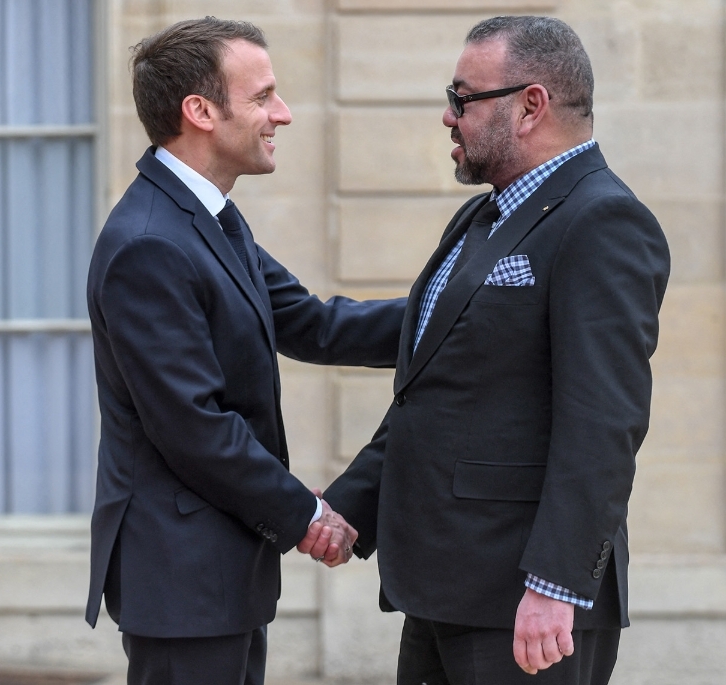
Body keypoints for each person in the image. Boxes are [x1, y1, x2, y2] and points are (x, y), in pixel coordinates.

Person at [323, 15, 670, 685]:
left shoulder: (603, 219)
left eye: (463, 97)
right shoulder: (485, 215)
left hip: (525, 607)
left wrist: (556, 584)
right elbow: (437, 385)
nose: (448, 117)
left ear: (530, 105)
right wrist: (349, 505)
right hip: (442, 589)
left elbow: (603, 423)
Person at [85, 17, 407, 685]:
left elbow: (317, 325)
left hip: (218, 573)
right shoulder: (149, 243)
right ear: (199, 111)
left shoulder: (209, 219)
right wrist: (308, 515)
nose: (281, 114)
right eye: (262, 96)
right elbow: (195, 427)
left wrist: (460, 312)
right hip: (181, 579)